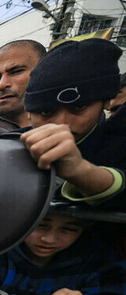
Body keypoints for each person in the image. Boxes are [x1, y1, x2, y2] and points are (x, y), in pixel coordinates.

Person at [18, 38, 125, 207]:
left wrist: (81, 172)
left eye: (79, 107)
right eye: (46, 111)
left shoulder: (119, 147)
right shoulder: (14, 144)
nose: (62, 124)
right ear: (29, 112)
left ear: (106, 102)